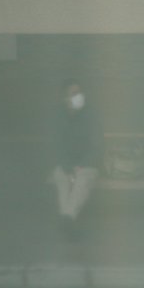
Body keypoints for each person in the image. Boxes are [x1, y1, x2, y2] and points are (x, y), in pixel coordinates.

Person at [53, 81, 104, 237]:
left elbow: (97, 146)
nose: (79, 97)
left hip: (87, 165)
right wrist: (68, 167)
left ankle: (67, 218)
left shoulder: (91, 115)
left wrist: (81, 166)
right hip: (67, 164)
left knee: (82, 180)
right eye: (74, 94)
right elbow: (57, 146)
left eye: (79, 93)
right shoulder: (59, 117)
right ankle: (68, 219)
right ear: (65, 98)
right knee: (61, 177)